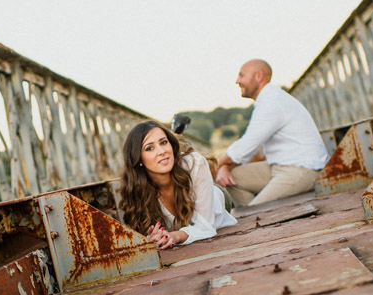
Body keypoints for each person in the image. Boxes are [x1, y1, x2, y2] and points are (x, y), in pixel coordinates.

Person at [215, 59, 329, 207]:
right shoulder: (267, 100)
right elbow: (247, 149)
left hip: (302, 169)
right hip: (279, 165)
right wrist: (225, 167)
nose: (237, 81)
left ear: (259, 76)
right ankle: (253, 221)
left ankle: (253, 217)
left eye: (242, 75)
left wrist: (212, 165)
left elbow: (245, 147)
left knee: (255, 211)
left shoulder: (272, 102)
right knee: (233, 177)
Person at [119, 120, 237, 249]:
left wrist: (175, 236)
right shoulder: (137, 189)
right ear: (139, 158)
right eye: (150, 148)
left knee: (219, 197)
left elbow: (206, 227)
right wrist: (155, 237)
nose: (161, 151)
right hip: (184, 222)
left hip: (216, 200)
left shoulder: (195, 163)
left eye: (163, 142)